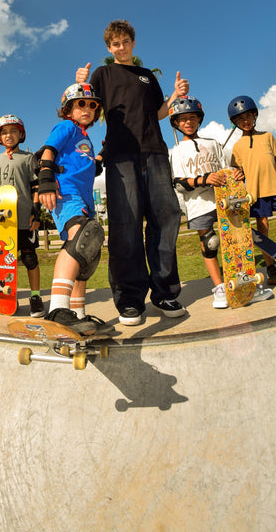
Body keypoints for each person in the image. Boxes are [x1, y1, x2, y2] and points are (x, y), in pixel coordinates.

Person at [76, 19, 188, 325]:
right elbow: (81, 104)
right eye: (115, 44)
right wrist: (79, 82)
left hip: (154, 152)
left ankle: (165, 291)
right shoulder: (103, 74)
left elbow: (158, 113)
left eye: (125, 42)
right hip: (121, 156)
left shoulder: (147, 76)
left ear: (133, 43)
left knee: (165, 219)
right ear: (109, 48)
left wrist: (174, 98)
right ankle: (129, 299)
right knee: (126, 226)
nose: (121, 47)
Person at [169, 96, 273, 307]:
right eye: (182, 119)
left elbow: (228, 169)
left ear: (199, 119)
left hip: (225, 200)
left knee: (238, 242)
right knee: (210, 244)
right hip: (198, 204)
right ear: (176, 123)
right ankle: (220, 289)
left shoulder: (213, 144)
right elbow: (178, 182)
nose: (188, 122)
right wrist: (202, 179)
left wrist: (236, 174)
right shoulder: (176, 151)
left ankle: (246, 284)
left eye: (192, 117)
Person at [37, 83, 110, 334]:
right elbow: (48, 151)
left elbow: (89, 166)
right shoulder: (66, 127)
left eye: (92, 105)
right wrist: (45, 178)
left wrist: (103, 154)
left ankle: (78, 315)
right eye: (81, 104)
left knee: (86, 253)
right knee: (82, 238)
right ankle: (58, 310)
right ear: (68, 108)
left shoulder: (85, 137)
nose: (88, 109)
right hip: (65, 193)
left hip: (84, 199)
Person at [228, 95, 276, 286]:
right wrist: (237, 175)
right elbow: (239, 173)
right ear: (235, 122)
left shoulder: (268, 136)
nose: (245, 121)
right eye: (240, 119)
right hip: (255, 194)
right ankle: (270, 267)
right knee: (263, 232)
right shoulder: (237, 147)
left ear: (255, 116)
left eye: (248, 116)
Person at [0, 114, 44, 317]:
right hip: (3, 221)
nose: (8, 135)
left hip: (25, 219)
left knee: (30, 259)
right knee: (2, 261)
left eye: (13, 131)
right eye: (4, 132)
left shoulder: (29, 159)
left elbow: (35, 187)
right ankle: (5, 296)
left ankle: (36, 297)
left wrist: (36, 213)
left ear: (21, 134)